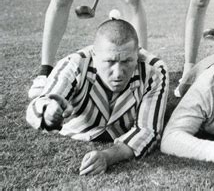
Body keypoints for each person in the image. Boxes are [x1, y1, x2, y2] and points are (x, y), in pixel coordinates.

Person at [26, 19, 169, 175]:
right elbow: (39, 104)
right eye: (110, 61)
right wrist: (48, 111)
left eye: (127, 61)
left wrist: (108, 157)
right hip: (77, 132)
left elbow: (148, 131)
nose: (118, 73)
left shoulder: (154, 70)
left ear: (138, 54)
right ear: (94, 54)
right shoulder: (74, 64)